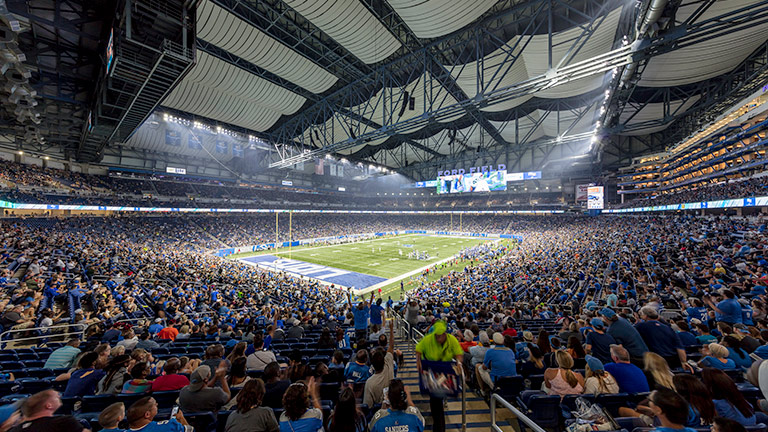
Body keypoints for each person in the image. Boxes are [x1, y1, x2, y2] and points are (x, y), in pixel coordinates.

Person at [415, 320, 463, 432]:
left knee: (437, 399)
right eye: (437, 336)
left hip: (446, 372)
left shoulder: (452, 340)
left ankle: (438, 424)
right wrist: (418, 361)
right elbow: (418, 350)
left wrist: (459, 363)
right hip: (431, 370)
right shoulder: (428, 339)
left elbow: (458, 354)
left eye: (440, 336)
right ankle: (439, 426)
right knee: (435, 399)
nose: (438, 338)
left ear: (445, 334)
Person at [635, 306, 692, 371]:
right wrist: (683, 362)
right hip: (672, 360)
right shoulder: (668, 328)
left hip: (655, 361)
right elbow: (679, 347)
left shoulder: (640, 326)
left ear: (645, 316)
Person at [8, 390, 87, 432]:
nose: (59, 396)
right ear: (48, 405)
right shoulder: (63, 422)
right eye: (56, 396)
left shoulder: (16, 429)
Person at [363, 321, 395, 407]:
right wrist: (391, 330)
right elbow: (391, 346)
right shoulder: (388, 363)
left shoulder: (369, 383)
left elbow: (368, 406)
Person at [126, 396, 191, 432]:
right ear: (147, 414)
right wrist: (181, 418)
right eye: (155, 404)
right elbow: (191, 430)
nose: (157, 404)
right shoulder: (170, 425)